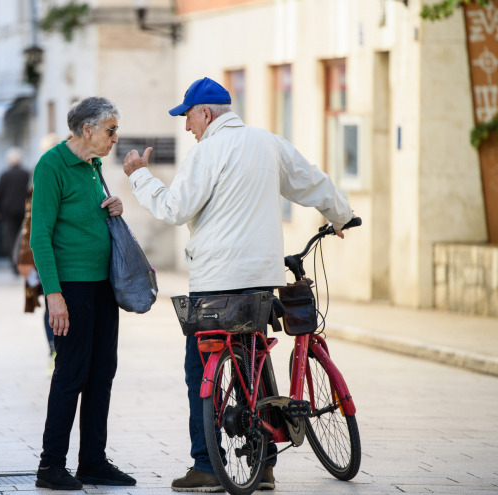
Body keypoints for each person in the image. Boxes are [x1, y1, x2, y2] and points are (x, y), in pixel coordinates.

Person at [122, 77, 355, 492]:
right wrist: (340, 216)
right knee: (255, 362)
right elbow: (312, 181)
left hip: (215, 284)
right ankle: (263, 465)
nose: (187, 128)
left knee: (201, 371)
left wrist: (140, 176)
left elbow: (174, 209)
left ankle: (208, 467)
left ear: (206, 113)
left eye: (189, 118)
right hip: (261, 283)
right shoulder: (270, 143)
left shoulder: (207, 152)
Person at [30, 97, 135, 490]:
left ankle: (92, 460)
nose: (114, 138)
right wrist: (53, 295)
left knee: (102, 374)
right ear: (87, 129)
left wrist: (114, 207)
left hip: (103, 286)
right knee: (70, 374)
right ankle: (51, 465)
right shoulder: (52, 165)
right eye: (110, 130)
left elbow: (91, 219)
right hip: (71, 289)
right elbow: (39, 235)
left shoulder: (94, 166)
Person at [18, 135, 60, 375]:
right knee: (50, 303)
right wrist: (26, 258)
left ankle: (57, 351)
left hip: (62, 253)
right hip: (44, 253)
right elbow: (30, 220)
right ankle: (53, 351)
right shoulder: (41, 177)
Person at [0, 147, 30, 273]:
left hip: (8, 211)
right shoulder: (27, 174)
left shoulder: (5, 175)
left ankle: (15, 263)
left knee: (11, 237)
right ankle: (22, 261)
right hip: (24, 209)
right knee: (23, 238)